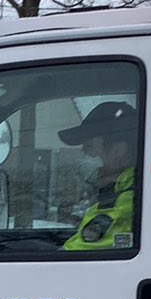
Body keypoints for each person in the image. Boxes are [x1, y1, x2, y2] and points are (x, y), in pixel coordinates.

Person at [59, 100, 138, 252]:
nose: (86, 160)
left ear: (118, 151)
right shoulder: (121, 190)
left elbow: (73, 254)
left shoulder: (122, 200)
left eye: (90, 149)